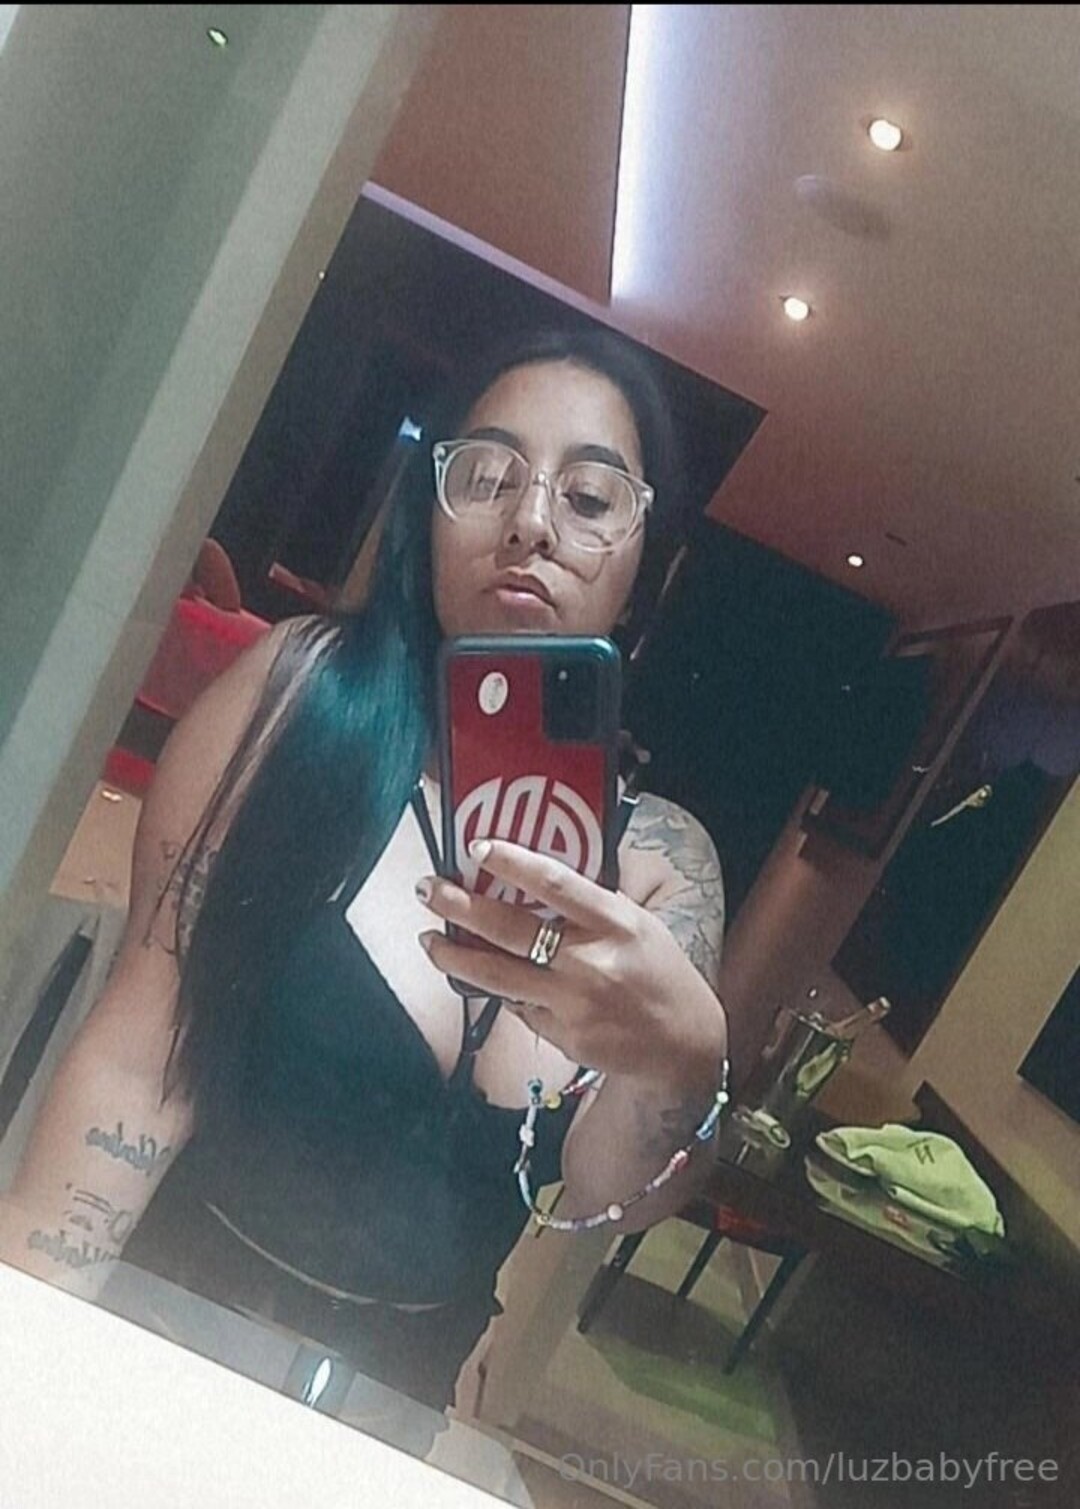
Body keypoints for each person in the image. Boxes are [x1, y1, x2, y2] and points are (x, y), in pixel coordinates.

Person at [0, 328, 729, 1421]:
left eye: (589, 497)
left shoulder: (663, 869)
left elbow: (610, 1197)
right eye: (487, 476)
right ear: (428, 513)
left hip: (392, 1416)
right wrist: (29, 1340)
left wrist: (689, 1062)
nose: (531, 522)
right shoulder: (296, 702)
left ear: (640, 565)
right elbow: (140, 1054)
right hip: (166, 1335)